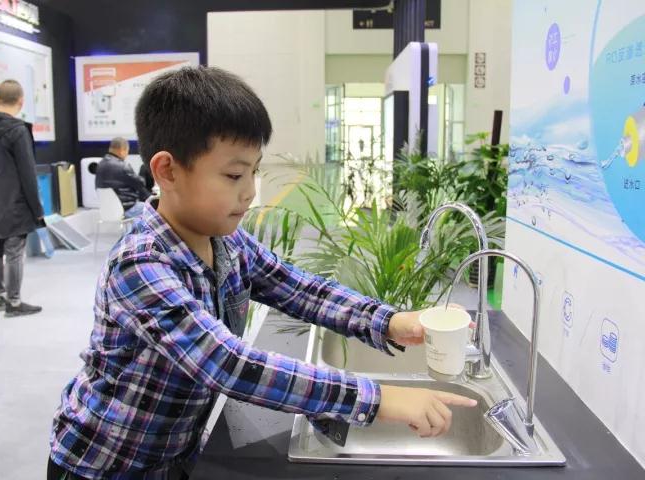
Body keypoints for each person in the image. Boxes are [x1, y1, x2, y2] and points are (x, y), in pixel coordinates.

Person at [48, 67, 477, 479]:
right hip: (104, 463)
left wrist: (391, 321)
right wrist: (377, 399)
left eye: (254, 171)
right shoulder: (140, 263)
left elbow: (303, 290)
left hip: (174, 451)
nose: (250, 191)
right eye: (234, 174)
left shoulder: (227, 241)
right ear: (168, 170)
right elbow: (227, 363)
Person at [0, 79, 43, 317]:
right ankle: (14, 303)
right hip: (14, 202)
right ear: (21, 101)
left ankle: (0, 298)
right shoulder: (17, 130)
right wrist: (37, 209)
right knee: (14, 252)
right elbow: (27, 172)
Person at [95, 137, 151, 218]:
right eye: (127, 151)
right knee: (152, 208)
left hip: (107, 210)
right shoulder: (123, 166)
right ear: (122, 150)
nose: (127, 154)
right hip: (126, 209)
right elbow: (140, 183)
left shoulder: (100, 164)